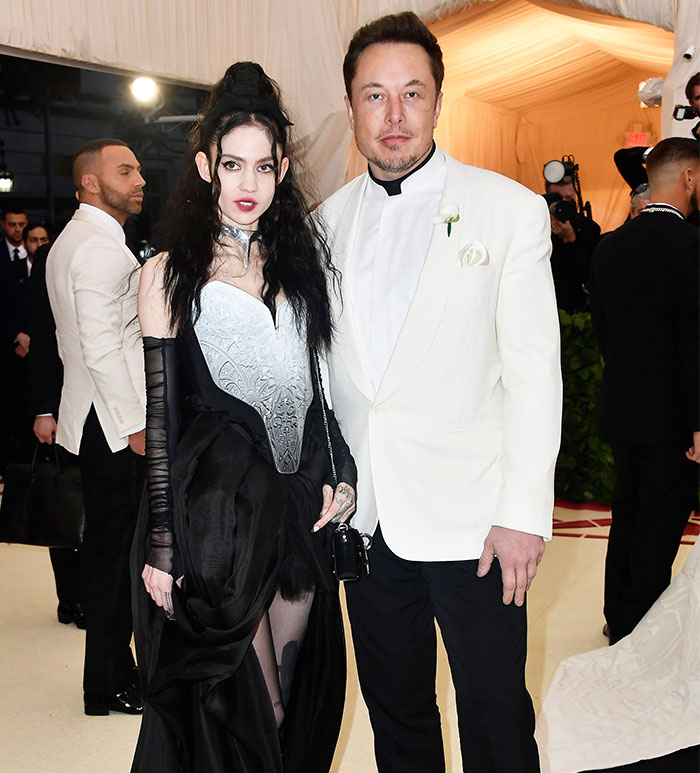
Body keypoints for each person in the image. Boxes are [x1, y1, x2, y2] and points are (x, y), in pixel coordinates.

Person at [317, 12, 561, 773]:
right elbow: (329, 375)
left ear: (437, 102)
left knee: (494, 714)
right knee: (398, 716)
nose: (393, 116)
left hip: (478, 524)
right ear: (352, 106)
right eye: (375, 96)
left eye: (411, 94)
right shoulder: (324, 225)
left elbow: (533, 373)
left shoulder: (508, 209)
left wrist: (524, 513)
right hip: (369, 519)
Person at [130, 61, 357, 773]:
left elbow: (321, 396)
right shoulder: (167, 273)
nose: (249, 183)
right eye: (233, 164)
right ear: (205, 166)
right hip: (217, 517)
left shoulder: (302, 265)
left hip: (295, 510)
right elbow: (161, 417)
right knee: (247, 705)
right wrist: (163, 544)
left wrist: (343, 473)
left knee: (297, 698)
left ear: (282, 167)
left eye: (263, 165)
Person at [46, 138, 147, 715]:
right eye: (125, 171)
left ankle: (110, 676)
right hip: (112, 426)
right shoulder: (99, 250)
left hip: (93, 419)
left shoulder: (75, 241)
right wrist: (134, 424)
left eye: (137, 170)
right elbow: (102, 347)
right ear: (90, 183)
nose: (139, 180)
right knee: (115, 559)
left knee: (108, 557)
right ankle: (107, 683)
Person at [589, 137, 700, 646]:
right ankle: (640, 634)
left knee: (628, 513)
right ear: (689, 178)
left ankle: (619, 617)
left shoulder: (609, 247)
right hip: (674, 417)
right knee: (659, 523)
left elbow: (604, 333)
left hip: (623, 408)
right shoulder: (692, 246)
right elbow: (695, 344)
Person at [26, 231, 85, 629]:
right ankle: (70, 599)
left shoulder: (117, 248)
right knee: (64, 499)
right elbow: (43, 340)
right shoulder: (50, 257)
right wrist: (44, 409)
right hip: (61, 405)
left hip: (95, 403)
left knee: (93, 505)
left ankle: (89, 594)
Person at [544, 175, 601, 311]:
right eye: (559, 201)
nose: (563, 206)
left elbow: (584, 274)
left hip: (579, 307)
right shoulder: (539, 229)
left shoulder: (588, 228)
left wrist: (570, 240)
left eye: (569, 200)